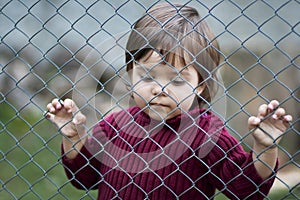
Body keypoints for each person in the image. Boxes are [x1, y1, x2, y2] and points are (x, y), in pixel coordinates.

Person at [45, 3, 293, 200]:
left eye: (176, 81)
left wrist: (265, 148)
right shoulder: (114, 126)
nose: (159, 89)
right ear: (130, 74)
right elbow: (83, 178)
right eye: (147, 76)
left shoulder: (207, 135)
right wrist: (74, 139)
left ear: (200, 85)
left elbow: (245, 190)